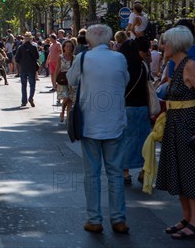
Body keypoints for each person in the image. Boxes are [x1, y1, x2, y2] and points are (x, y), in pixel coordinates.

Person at [66, 24, 130, 234]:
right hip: (115, 123)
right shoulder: (119, 58)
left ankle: (94, 219)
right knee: (116, 174)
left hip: (90, 124)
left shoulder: (83, 59)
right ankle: (118, 219)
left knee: (92, 174)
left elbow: (70, 80)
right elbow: (125, 80)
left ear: (89, 41)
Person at [155, 26, 195, 239]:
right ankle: (187, 217)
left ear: (176, 44)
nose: (162, 46)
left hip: (187, 123)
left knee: (189, 171)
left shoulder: (190, 65)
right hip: (175, 122)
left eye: (165, 42)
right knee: (179, 171)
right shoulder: (175, 65)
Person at [118, 38, 151, 185]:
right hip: (143, 107)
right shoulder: (143, 66)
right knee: (143, 140)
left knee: (126, 140)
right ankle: (144, 170)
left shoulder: (122, 68)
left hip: (127, 106)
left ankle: (125, 173)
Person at [15, 32, 39, 107]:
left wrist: (22, 63)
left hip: (23, 68)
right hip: (32, 68)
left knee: (23, 85)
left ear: (24, 39)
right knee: (32, 85)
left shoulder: (20, 47)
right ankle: (31, 97)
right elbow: (37, 57)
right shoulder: (34, 47)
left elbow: (16, 59)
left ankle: (24, 101)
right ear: (31, 39)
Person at [55, 39, 75, 123]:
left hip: (72, 80)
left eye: (70, 46)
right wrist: (54, 82)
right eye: (67, 46)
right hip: (63, 79)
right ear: (64, 47)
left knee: (70, 99)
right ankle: (62, 111)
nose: (69, 48)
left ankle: (69, 118)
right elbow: (57, 69)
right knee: (66, 97)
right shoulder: (61, 57)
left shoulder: (75, 57)